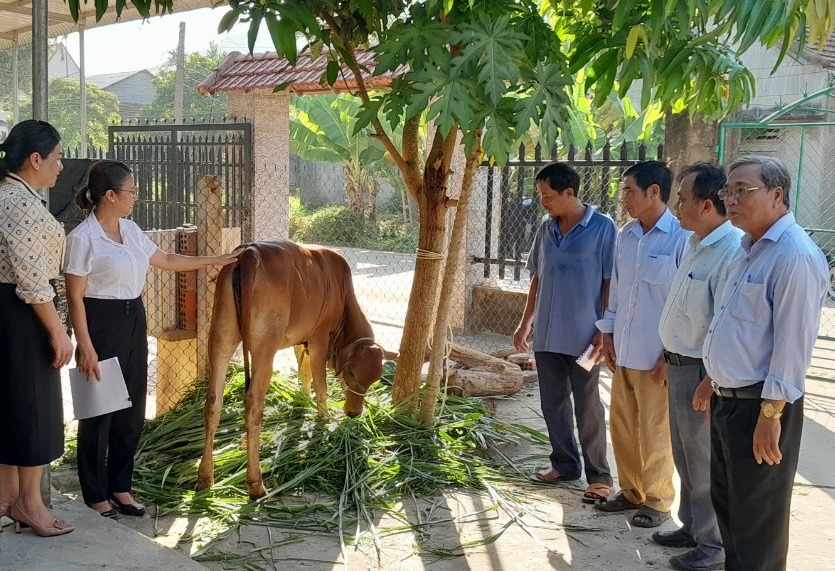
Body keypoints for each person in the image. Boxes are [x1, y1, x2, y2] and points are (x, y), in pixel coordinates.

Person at [64, 160, 239, 518]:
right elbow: (75, 298)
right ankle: (95, 495)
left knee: (130, 410)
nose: (135, 198)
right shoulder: (82, 239)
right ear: (110, 196)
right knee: (99, 411)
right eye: (131, 191)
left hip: (133, 318)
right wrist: (86, 345)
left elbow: (167, 258)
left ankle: (121, 488)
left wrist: (217, 259)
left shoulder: (130, 229)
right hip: (100, 322)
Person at [704, 156, 827, 570]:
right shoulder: (747, 249)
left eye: (743, 190)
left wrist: (770, 415)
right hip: (728, 401)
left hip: (762, 406)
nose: (731, 200)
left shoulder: (795, 256)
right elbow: (731, 328)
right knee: (731, 511)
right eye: (728, 191)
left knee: (759, 521)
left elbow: (792, 347)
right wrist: (712, 381)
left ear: (777, 195)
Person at [591, 160, 690, 528]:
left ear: (653, 192)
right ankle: (631, 491)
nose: (623, 197)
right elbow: (616, 291)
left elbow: (683, 304)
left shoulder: (682, 237)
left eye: (629, 190)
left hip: (657, 357)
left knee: (655, 429)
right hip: (624, 350)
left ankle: (659, 500)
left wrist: (670, 353)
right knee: (622, 424)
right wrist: (608, 332)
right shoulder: (626, 235)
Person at [656, 164, 743, 571]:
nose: (676, 206)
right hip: (679, 365)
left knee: (704, 461)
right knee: (684, 455)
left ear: (707, 205)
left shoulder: (731, 251)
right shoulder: (695, 241)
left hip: (702, 373)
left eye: (682, 199)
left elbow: (725, 323)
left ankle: (711, 546)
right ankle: (691, 527)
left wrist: (710, 381)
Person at [513, 162, 615, 503]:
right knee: (552, 403)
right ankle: (564, 464)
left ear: (569, 193)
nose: (543, 202)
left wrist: (604, 328)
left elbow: (609, 283)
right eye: (541, 195)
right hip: (547, 336)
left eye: (548, 196)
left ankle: (599, 476)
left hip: (586, 338)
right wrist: (526, 322)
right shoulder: (546, 227)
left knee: (588, 404)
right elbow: (537, 279)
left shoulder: (603, 228)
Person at [0, 120, 75, 537]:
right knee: (33, 409)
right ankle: (29, 504)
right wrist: (57, 332)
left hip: (11, 311)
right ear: (35, 160)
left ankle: (7, 498)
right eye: (58, 157)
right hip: (24, 313)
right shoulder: (19, 203)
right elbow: (31, 279)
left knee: (11, 406)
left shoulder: (12, 195)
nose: (61, 167)